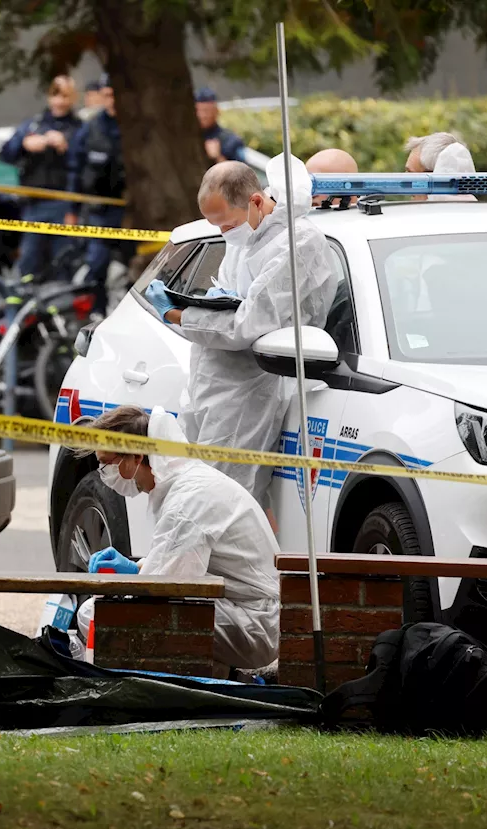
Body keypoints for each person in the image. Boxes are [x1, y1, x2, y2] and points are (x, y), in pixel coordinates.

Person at [146, 157, 338, 510]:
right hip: (213, 383)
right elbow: (232, 297)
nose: (224, 233)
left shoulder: (296, 244)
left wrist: (178, 314)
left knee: (221, 504)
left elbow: (247, 325)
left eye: (227, 224)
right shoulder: (245, 238)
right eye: (216, 225)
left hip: (250, 389)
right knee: (192, 494)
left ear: (254, 201)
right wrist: (208, 302)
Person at [82, 406, 280, 673]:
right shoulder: (183, 485)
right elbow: (176, 565)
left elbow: (165, 589)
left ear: (135, 458)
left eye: (106, 463)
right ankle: (221, 678)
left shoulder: (187, 501)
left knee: (95, 615)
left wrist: (130, 585)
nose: (103, 472)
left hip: (254, 625)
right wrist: (138, 568)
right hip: (247, 611)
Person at [0, 75, 83, 280]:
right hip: (33, 204)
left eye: (65, 95)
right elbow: (6, 153)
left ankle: (61, 308)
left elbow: (83, 168)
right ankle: (23, 306)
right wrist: (24, 144)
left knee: (62, 260)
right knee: (29, 260)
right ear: (49, 97)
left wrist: (66, 146)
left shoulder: (79, 128)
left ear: (73, 98)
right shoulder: (34, 125)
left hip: (63, 204)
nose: (60, 101)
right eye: (56, 95)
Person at [67, 74, 125, 314]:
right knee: (97, 265)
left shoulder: (134, 128)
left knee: (130, 269)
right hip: (99, 211)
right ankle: (97, 312)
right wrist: (71, 210)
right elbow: (75, 171)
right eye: (108, 95)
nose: (112, 100)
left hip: (130, 212)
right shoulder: (90, 129)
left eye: (115, 94)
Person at [195, 87, 246, 165]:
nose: (202, 115)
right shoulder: (185, 138)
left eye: (206, 110)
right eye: (198, 110)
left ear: (217, 111)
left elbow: (242, 174)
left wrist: (218, 157)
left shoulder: (231, 141)